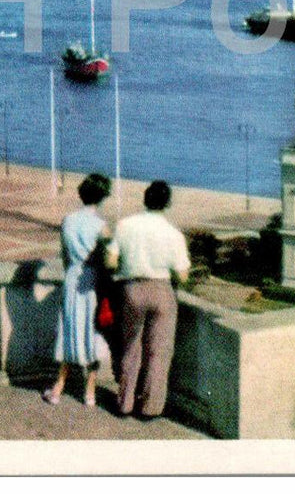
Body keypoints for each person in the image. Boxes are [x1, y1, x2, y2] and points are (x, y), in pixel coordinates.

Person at [106, 180, 190, 419]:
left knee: (130, 347)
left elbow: (111, 261)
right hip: (162, 290)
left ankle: (125, 402)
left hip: (131, 289)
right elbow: (182, 276)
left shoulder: (125, 225)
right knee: (159, 352)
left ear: (145, 199)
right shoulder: (174, 234)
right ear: (168, 203)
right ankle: (151, 407)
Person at [43, 173, 113, 407]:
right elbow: (108, 261)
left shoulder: (68, 220)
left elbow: (64, 256)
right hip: (92, 281)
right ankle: (90, 391)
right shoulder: (101, 227)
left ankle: (58, 387)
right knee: (93, 332)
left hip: (72, 278)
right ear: (102, 197)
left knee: (70, 330)